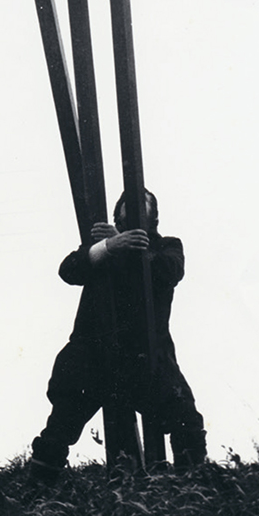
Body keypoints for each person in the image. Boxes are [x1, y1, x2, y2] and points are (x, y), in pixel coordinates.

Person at [30, 189, 206, 483]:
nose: (135, 207)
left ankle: (192, 489)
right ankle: (37, 492)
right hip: (92, 355)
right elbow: (69, 271)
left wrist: (125, 248)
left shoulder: (168, 246)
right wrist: (109, 246)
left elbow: (169, 271)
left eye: (143, 204)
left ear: (154, 217)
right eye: (129, 205)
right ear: (117, 215)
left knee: (185, 420)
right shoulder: (104, 247)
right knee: (61, 425)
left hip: (145, 355)